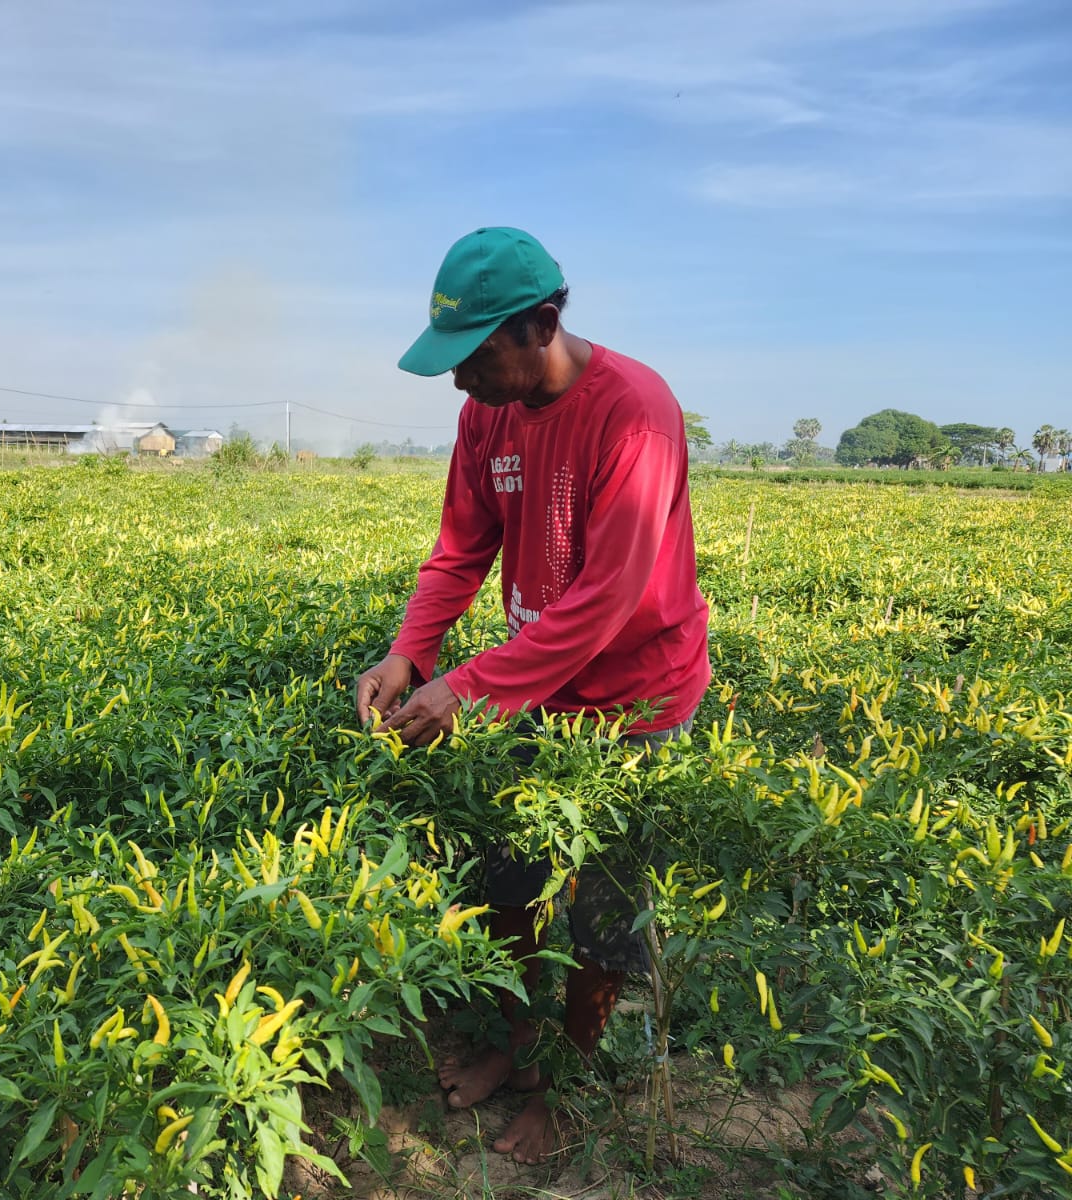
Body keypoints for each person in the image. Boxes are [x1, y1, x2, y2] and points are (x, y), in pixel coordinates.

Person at [353, 226, 710, 1163]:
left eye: (473, 361)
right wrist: (411, 656)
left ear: (542, 324)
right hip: (534, 691)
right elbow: (461, 549)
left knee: (604, 911)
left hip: (635, 700)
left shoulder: (634, 412)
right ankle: (512, 1039)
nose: (459, 384)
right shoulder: (486, 417)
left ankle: (571, 1078)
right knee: (502, 878)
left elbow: (606, 600)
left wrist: (464, 691)